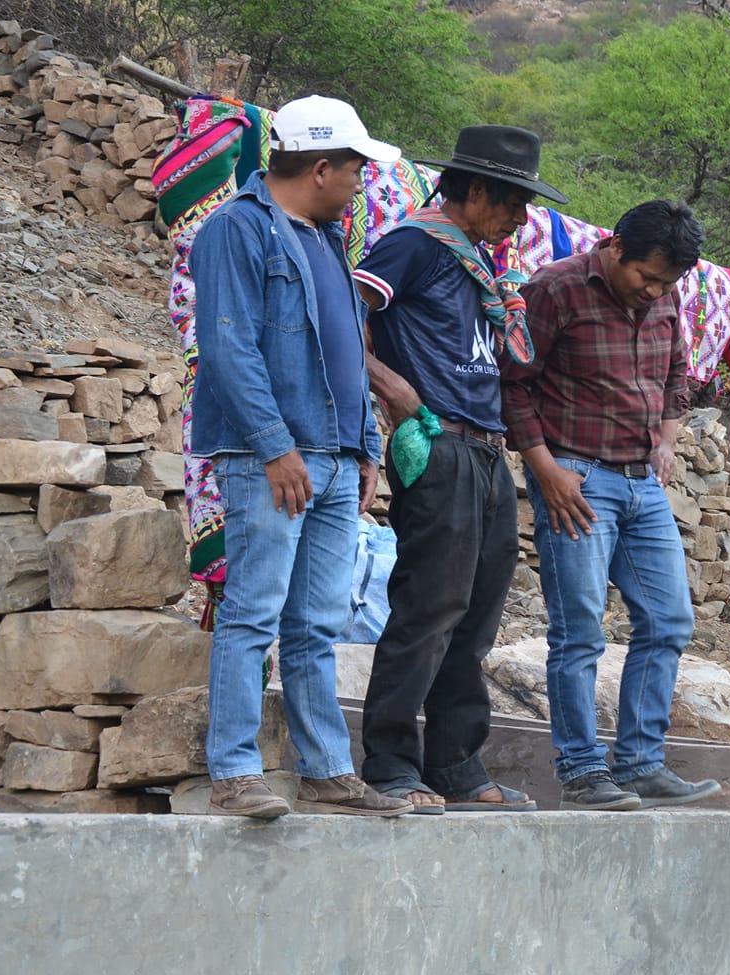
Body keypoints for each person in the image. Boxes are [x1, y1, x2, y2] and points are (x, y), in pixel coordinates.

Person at [191, 96, 410, 820]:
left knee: (317, 622)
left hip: (336, 457)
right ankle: (234, 771)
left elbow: (347, 353)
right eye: (354, 169)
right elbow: (228, 346)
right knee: (254, 611)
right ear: (320, 167)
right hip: (275, 459)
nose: (360, 183)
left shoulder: (327, 238)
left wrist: (365, 446)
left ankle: (325, 770)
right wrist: (275, 446)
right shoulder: (238, 228)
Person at [354, 125, 565, 812]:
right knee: (429, 606)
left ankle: (455, 763)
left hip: (485, 449)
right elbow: (344, 315)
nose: (522, 218)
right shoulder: (414, 244)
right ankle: (390, 762)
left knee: (475, 615)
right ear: (475, 189)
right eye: (513, 201)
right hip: (437, 441)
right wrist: (393, 386)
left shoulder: (475, 261)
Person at [500, 199, 723, 811]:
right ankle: (581, 771)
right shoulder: (555, 288)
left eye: (667, 283)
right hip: (576, 478)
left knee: (669, 620)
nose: (654, 291)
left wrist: (668, 439)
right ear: (616, 247)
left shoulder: (666, 297)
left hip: (642, 482)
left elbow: (676, 375)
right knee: (579, 631)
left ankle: (641, 763)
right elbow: (514, 386)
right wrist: (546, 471)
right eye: (647, 277)